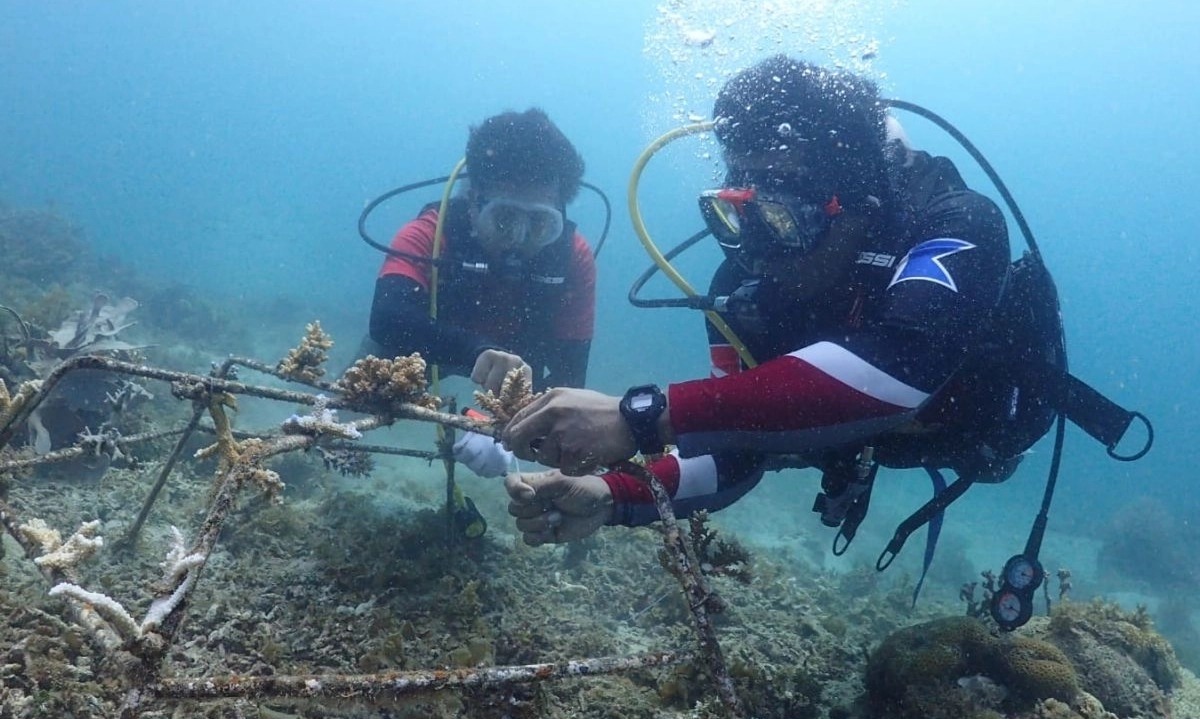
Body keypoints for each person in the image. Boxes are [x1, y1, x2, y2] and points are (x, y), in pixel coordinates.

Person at [501, 56, 1018, 548]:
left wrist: (642, 416)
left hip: (976, 433)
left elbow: (899, 370)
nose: (755, 248)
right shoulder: (747, 289)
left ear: (858, 202)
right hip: (854, 434)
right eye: (741, 213)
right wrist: (613, 493)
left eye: (779, 217)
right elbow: (733, 455)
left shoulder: (959, 224)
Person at [368, 108, 596, 480]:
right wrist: (475, 351)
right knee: (358, 391)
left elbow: (570, 376)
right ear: (473, 202)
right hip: (421, 351)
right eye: (504, 219)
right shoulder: (431, 231)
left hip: (515, 377)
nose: (519, 242)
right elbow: (387, 319)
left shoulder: (574, 258)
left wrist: (505, 424)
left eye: (539, 223)